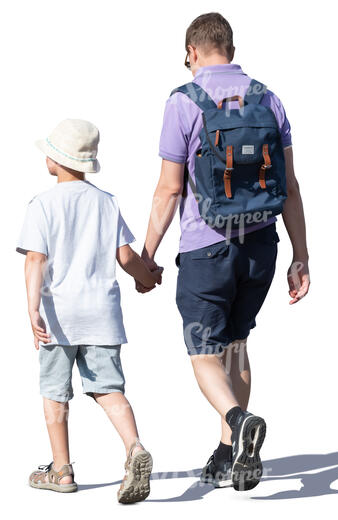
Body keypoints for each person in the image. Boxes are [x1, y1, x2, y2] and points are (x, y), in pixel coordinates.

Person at [139, 12, 310, 490]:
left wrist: (147, 255)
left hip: (206, 248)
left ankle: (238, 421)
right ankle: (229, 453)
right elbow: (290, 186)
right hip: (261, 245)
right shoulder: (269, 99)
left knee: (203, 352)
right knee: (237, 345)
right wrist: (302, 255)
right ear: (229, 49)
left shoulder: (183, 102)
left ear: (192, 52)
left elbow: (169, 190)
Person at [17, 119, 161, 503]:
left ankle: (61, 471)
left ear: (56, 160)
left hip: (58, 320)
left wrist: (32, 310)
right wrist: (145, 278)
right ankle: (134, 448)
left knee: (54, 393)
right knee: (109, 390)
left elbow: (35, 260)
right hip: (102, 317)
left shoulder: (42, 204)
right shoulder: (105, 201)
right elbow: (126, 256)